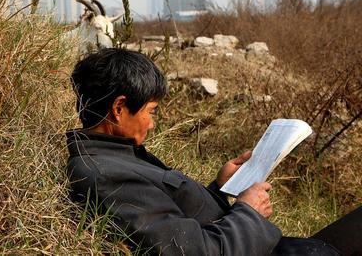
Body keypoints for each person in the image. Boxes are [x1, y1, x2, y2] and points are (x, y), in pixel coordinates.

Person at [66, 48, 361, 255]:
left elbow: (177, 222)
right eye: (151, 112)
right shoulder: (106, 176)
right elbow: (196, 251)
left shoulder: (115, 155)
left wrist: (220, 188)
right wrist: (248, 212)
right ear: (118, 108)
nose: (153, 125)